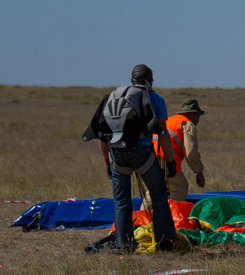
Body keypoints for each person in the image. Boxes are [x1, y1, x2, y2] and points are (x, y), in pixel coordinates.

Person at [85, 64, 178, 252]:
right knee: (159, 194)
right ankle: (164, 242)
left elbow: (102, 136)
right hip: (143, 154)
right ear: (149, 80)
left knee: (121, 200)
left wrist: (107, 163)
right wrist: (170, 161)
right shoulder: (156, 99)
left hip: (117, 155)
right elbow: (162, 134)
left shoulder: (113, 99)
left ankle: (124, 244)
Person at [162, 99, 208, 202]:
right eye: (198, 116)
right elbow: (190, 153)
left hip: (150, 160)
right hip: (166, 161)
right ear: (193, 114)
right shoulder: (187, 124)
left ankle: (143, 216)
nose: (198, 120)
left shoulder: (168, 120)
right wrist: (199, 172)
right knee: (179, 187)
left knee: (155, 190)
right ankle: (173, 217)